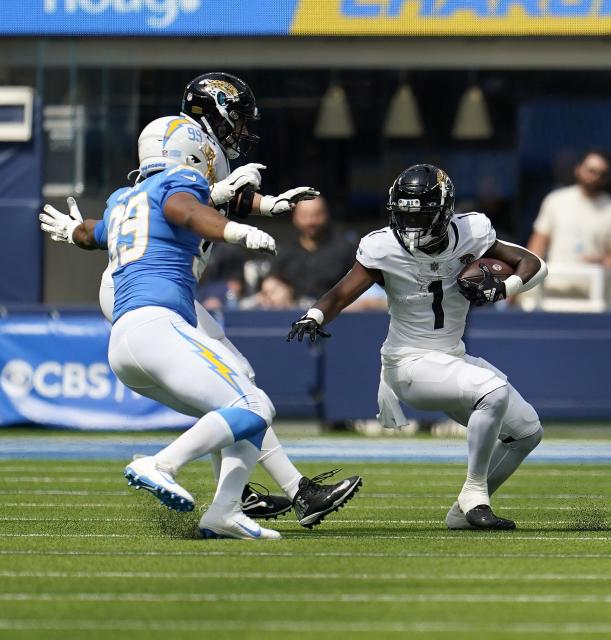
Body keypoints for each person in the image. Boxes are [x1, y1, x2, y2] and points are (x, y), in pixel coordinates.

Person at [39, 78, 361, 534]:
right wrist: (238, 230)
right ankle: (166, 466)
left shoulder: (127, 198)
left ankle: (233, 503)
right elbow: (187, 207)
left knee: (238, 388)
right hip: (153, 303)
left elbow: (105, 227)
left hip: (143, 307)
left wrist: (264, 204)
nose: (242, 131)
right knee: (250, 400)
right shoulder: (179, 178)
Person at [288, 164, 547, 530]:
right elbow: (342, 292)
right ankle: (475, 495)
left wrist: (504, 289)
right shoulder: (383, 246)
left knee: (526, 433)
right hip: (408, 363)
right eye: (405, 213)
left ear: (444, 212)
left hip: (451, 358)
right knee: (492, 391)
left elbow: (534, 264)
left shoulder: (472, 232)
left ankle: (461, 515)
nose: (410, 224)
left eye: (420, 214)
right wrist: (314, 315)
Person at [527, 149, 611, 278]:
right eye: (591, 171)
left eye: (601, 174)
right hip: (556, 284)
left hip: (593, 288)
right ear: (578, 169)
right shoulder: (555, 200)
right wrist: (525, 279)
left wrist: (601, 260)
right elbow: (538, 244)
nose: (595, 177)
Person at [272, 196, 357, 301]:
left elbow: (362, 286)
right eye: (304, 215)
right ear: (295, 217)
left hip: (335, 312)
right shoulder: (284, 251)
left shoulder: (345, 249)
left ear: (326, 215)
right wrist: (275, 290)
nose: (311, 221)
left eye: (317, 215)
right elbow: (272, 281)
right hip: (293, 313)